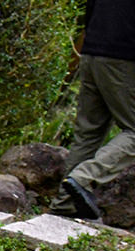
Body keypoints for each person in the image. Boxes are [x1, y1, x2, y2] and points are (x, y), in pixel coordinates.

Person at [49, 0, 135, 222]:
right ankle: (84, 178)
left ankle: (64, 205)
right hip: (125, 57)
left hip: (92, 50)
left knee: (88, 133)